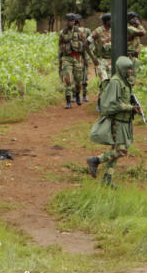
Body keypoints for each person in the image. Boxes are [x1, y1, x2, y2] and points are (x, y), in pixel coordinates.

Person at [85, 56, 141, 186]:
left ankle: (107, 178)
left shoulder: (124, 81)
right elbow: (112, 104)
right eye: (128, 69)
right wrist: (130, 108)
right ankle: (95, 160)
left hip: (124, 122)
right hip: (118, 122)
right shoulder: (116, 82)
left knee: (116, 150)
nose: (130, 72)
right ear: (122, 69)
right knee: (121, 150)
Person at [58, 13, 95, 108]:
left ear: (74, 22)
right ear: (66, 22)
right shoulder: (62, 33)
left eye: (72, 21)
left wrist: (86, 59)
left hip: (78, 58)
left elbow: (85, 46)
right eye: (69, 20)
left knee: (78, 81)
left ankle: (78, 95)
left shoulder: (80, 32)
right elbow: (60, 48)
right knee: (68, 80)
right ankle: (68, 101)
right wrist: (60, 62)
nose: (70, 22)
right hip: (67, 58)